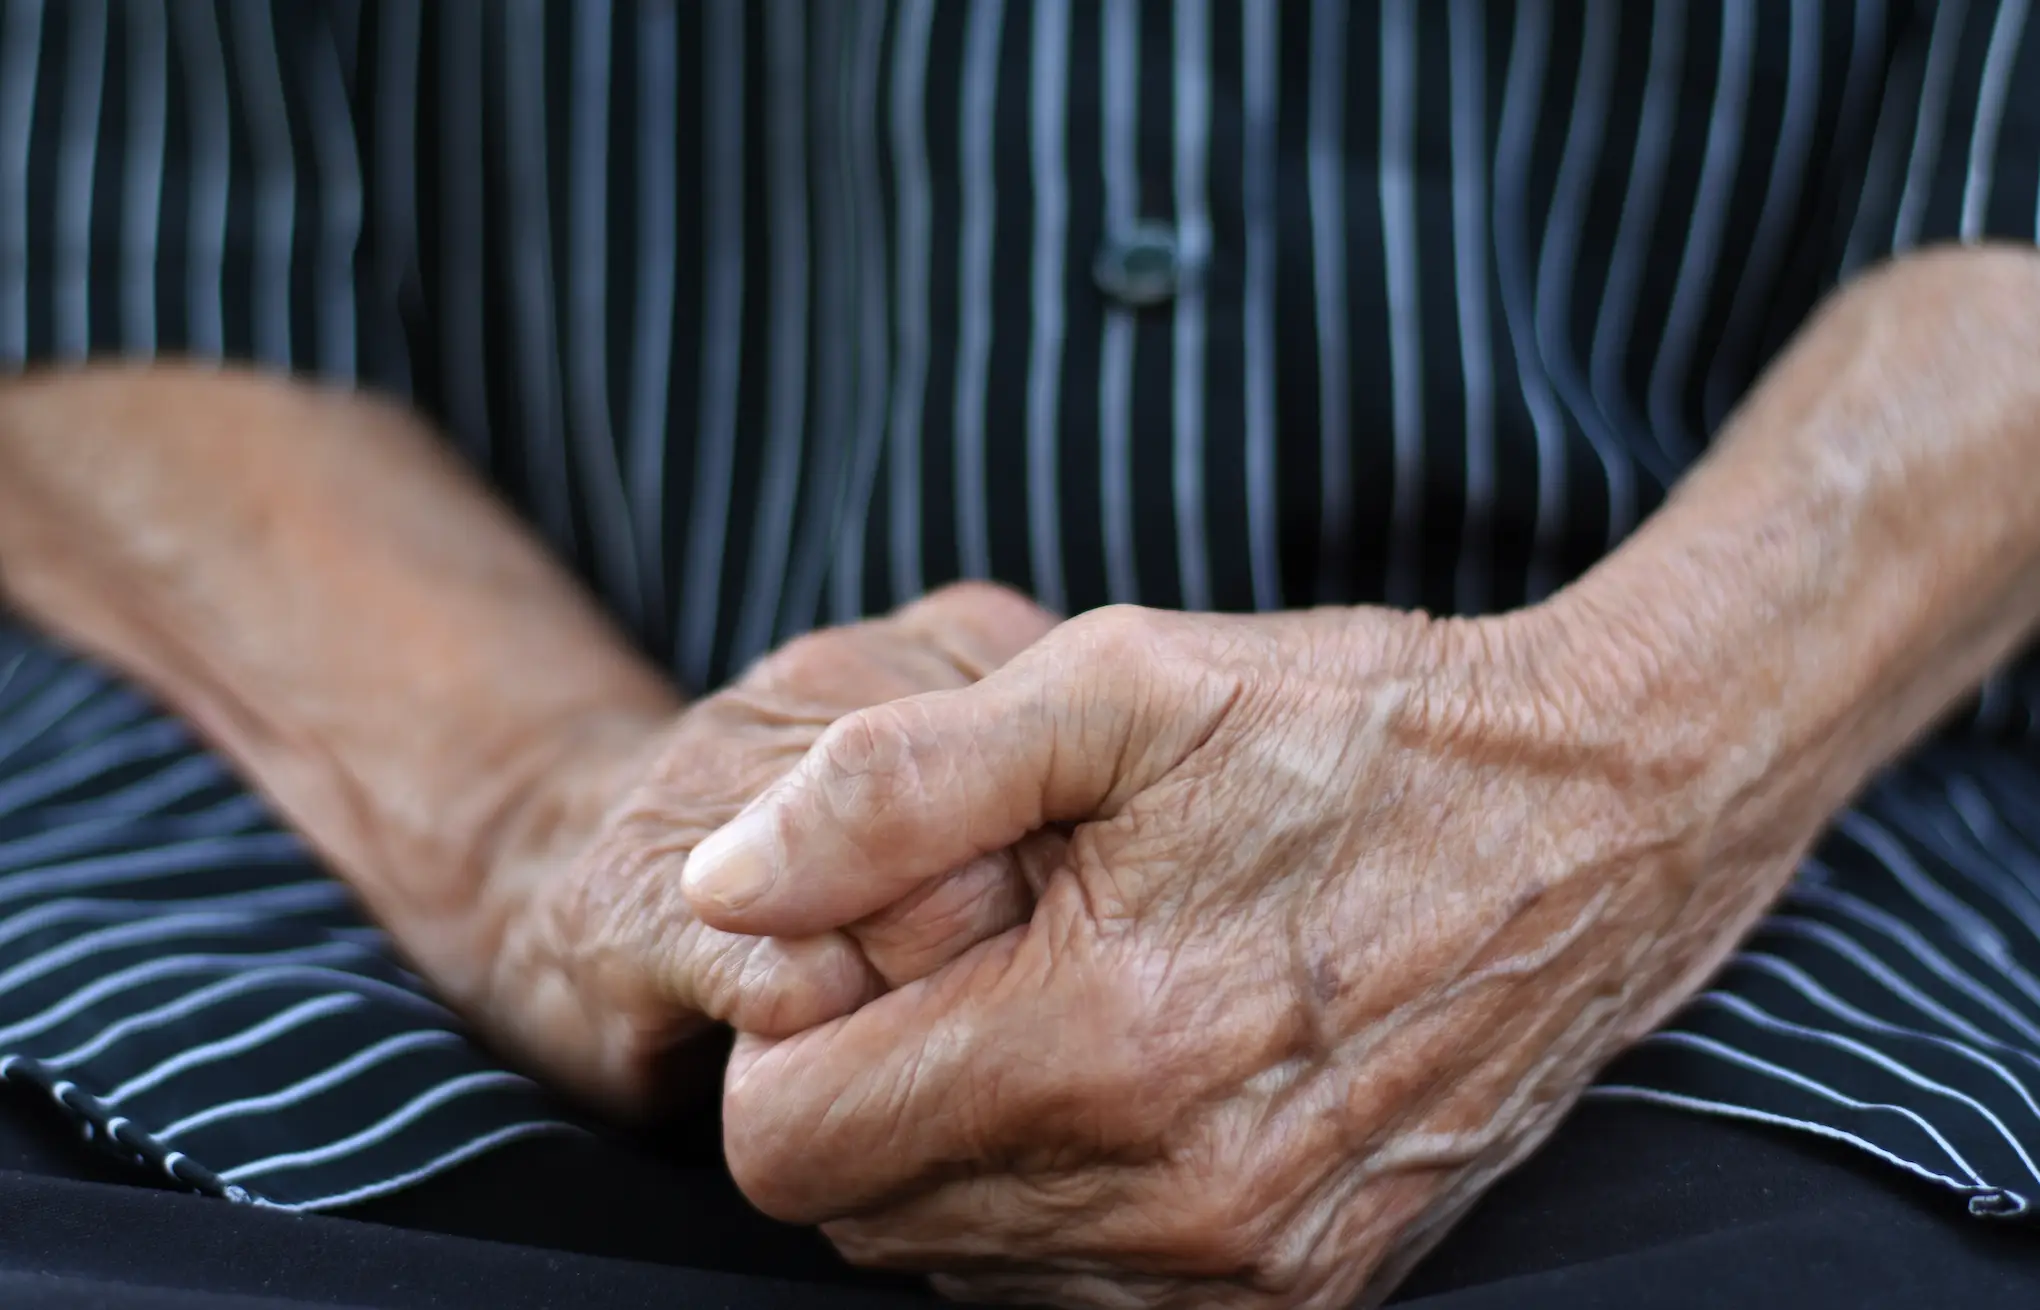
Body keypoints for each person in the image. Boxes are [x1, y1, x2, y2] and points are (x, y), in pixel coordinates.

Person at [3, 1, 2040, 1306]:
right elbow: (83, 206)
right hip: (358, 847)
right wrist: (548, 825)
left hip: (1786, 876)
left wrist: (1611, 752)